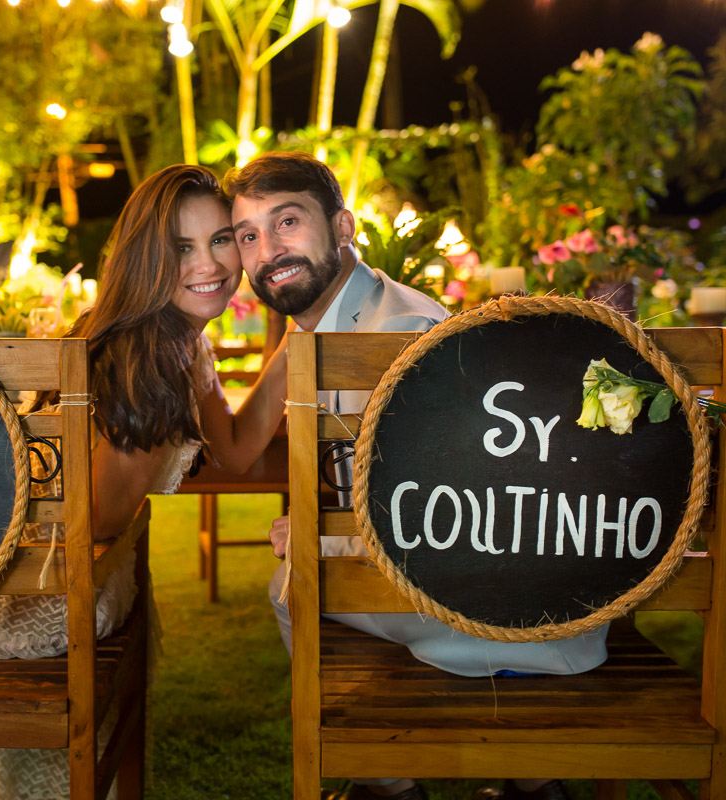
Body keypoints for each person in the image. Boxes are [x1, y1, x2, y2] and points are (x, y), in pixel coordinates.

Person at [226, 152, 606, 800]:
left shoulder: (398, 331)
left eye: (287, 222)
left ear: (343, 227)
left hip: (501, 594)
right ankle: (530, 781)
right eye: (248, 235)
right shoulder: (340, 319)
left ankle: (393, 786)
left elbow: (445, 521)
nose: (268, 249)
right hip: (481, 572)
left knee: (290, 585)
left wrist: (324, 536)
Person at [0, 164, 289, 800]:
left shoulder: (166, 340)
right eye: (181, 248)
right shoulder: (147, 360)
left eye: (220, 240)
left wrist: (300, 339)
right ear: (147, 256)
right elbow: (92, 519)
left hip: (40, 568)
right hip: (41, 591)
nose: (210, 264)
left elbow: (232, 448)